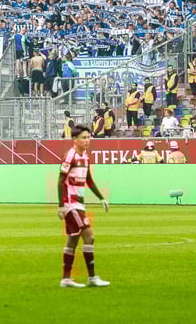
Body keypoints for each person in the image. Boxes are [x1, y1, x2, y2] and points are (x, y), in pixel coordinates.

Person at [57, 124, 110, 289]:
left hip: (79, 204)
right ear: (75, 139)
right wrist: (61, 205)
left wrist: (101, 198)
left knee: (72, 240)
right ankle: (92, 277)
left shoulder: (85, 157)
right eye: (83, 138)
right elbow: (60, 180)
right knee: (89, 237)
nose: (87, 141)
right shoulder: (70, 155)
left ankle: (66, 279)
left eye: (88, 137)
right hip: (71, 205)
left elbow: (89, 180)